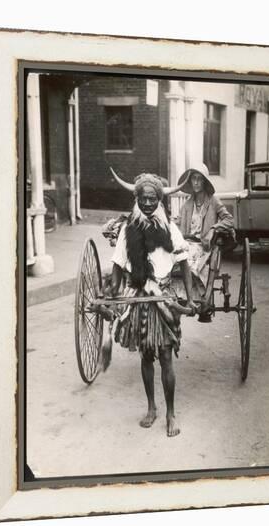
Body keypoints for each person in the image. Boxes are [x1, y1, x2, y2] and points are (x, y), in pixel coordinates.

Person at [107, 169, 196, 437]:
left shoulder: (169, 228)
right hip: (139, 299)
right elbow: (117, 265)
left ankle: (170, 413)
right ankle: (151, 408)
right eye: (143, 198)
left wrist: (190, 298)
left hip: (164, 299)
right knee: (146, 355)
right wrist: (113, 292)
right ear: (137, 199)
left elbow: (184, 263)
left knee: (166, 357)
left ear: (159, 200)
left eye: (152, 199)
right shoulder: (127, 230)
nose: (147, 203)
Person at [178, 164, 235, 321]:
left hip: (204, 246)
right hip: (187, 243)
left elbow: (229, 220)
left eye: (199, 179)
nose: (196, 183)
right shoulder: (187, 205)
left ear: (204, 182)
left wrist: (213, 229)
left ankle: (201, 301)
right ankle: (181, 297)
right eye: (193, 179)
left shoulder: (213, 202)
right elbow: (178, 225)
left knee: (190, 263)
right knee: (175, 259)